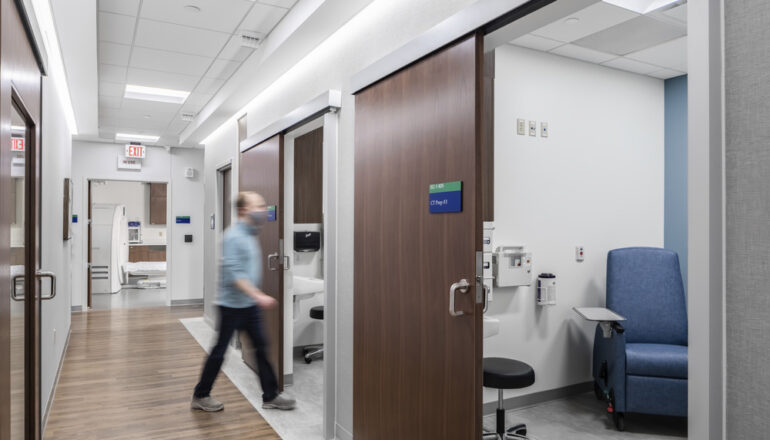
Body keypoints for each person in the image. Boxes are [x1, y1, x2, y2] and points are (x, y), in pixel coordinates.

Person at [191, 191, 295, 412]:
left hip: (248, 305)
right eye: (258, 206)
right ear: (243, 210)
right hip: (231, 306)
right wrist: (258, 295)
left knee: (261, 348)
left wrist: (254, 297)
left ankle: (270, 396)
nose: (263, 210)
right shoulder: (233, 237)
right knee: (220, 352)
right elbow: (235, 274)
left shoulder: (250, 233)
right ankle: (200, 395)